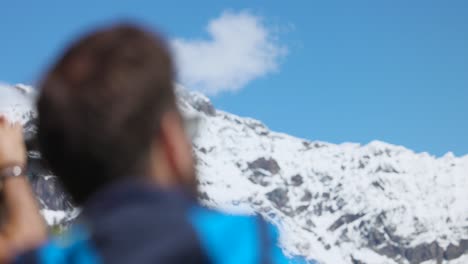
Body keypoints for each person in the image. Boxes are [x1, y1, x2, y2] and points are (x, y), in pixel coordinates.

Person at [0, 24, 306, 263]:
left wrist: (12, 169)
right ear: (169, 140)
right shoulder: (240, 242)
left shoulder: (59, 257)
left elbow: (25, 246)